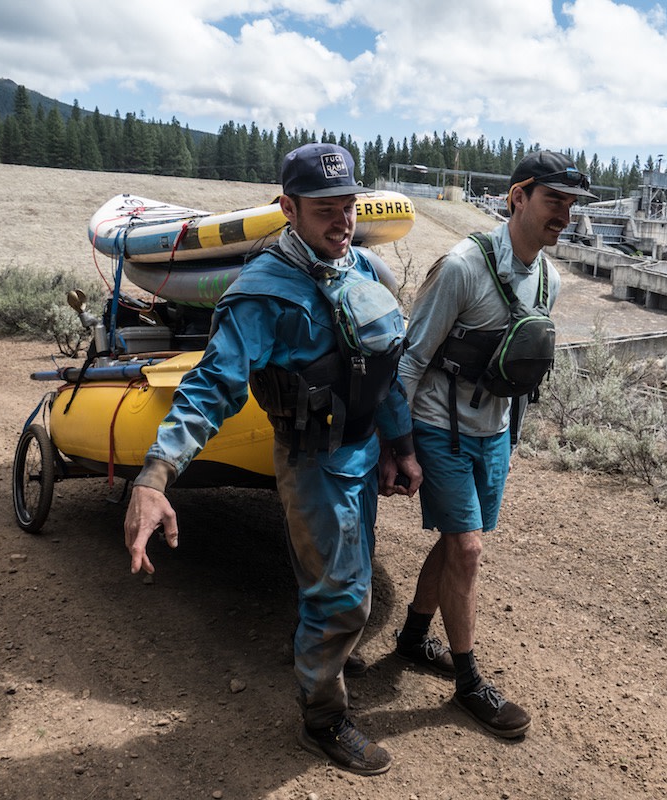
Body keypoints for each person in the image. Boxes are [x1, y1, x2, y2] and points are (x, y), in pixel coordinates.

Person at [123, 142, 422, 776]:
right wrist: (156, 473)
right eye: (324, 211)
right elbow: (212, 385)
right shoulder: (259, 293)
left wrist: (398, 443)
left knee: (352, 571)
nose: (342, 223)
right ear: (287, 208)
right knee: (339, 591)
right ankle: (323, 719)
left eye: (349, 207)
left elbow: (383, 367)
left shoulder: (358, 268)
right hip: (313, 463)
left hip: (363, 453)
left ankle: (329, 652)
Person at [393, 150, 596, 738]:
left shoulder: (549, 281)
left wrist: (513, 441)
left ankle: (411, 638)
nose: (564, 215)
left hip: (495, 435)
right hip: (440, 428)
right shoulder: (460, 267)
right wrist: (399, 447)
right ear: (517, 198)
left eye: (570, 204)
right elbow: (411, 361)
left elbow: (522, 371)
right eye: (553, 201)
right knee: (470, 551)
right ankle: (468, 683)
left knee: (461, 544)